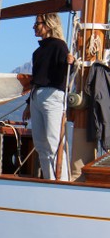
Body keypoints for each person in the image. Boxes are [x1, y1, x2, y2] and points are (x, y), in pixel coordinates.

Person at [22, 13, 74, 181]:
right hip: (38, 96)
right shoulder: (38, 52)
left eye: (37, 24)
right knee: (40, 144)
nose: (34, 27)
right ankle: (50, 180)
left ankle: (62, 181)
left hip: (53, 95)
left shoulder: (60, 47)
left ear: (48, 24)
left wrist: (71, 63)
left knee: (53, 143)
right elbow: (36, 78)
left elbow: (67, 72)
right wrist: (29, 104)